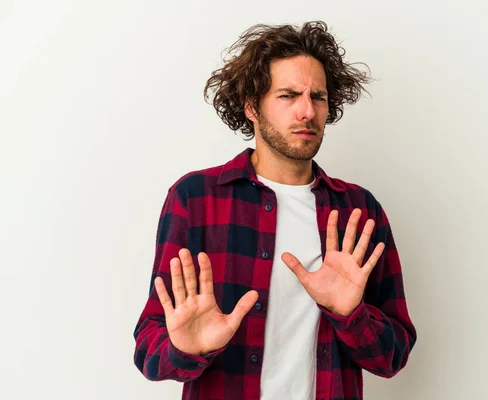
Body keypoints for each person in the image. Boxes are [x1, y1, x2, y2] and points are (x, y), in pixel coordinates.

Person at [133, 20, 417, 400]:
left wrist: (352, 316)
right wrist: (186, 348)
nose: (307, 111)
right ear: (252, 106)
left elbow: (392, 357)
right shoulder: (195, 199)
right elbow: (149, 347)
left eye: (318, 97)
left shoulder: (359, 213)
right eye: (288, 95)